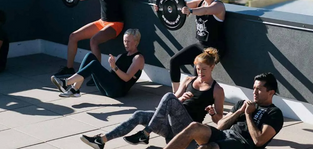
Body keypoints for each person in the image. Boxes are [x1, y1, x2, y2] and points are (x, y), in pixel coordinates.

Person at [80, 48, 225, 149]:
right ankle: (102, 140)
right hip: (169, 124)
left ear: (212, 67)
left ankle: (145, 133)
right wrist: (180, 100)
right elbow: (174, 99)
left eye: (203, 69)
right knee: (139, 115)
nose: (200, 73)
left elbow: (220, 120)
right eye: (198, 69)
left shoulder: (217, 90)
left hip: (186, 128)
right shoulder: (188, 80)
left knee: (168, 96)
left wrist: (212, 113)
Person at [164, 72, 284, 149]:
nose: (254, 92)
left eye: (259, 89)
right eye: (253, 88)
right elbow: (220, 125)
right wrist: (239, 112)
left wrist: (248, 115)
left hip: (243, 144)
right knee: (195, 126)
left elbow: (259, 141)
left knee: (208, 148)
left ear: (271, 92)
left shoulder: (274, 113)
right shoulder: (243, 104)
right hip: (224, 135)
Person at [154, 0, 226, 93]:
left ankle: (194, 99)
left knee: (197, 71)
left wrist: (190, 11)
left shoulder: (218, 7)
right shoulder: (199, 2)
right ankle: (175, 95)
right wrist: (162, 8)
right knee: (174, 61)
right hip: (201, 45)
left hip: (214, 49)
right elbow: (179, 5)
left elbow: (205, 11)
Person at [54, 0, 124, 85]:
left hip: (115, 24)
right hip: (102, 22)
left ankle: (97, 74)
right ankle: (69, 68)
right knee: (73, 36)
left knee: (94, 40)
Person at [50, 28, 144, 98]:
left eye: (128, 41)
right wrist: (112, 68)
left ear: (136, 42)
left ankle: (66, 82)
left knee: (94, 64)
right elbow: (112, 75)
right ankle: (75, 88)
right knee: (90, 56)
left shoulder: (138, 58)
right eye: (124, 41)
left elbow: (127, 78)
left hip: (117, 91)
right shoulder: (121, 55)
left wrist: (114, 67)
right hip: (107, 87)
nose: (126, 43)